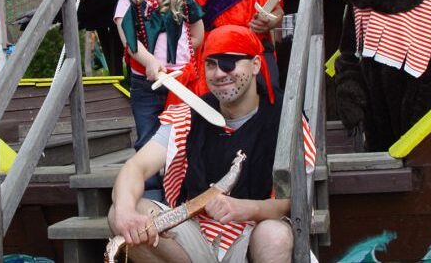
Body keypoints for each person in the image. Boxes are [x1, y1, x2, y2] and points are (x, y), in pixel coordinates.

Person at [108, 25, 315, 263]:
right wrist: (125, 211)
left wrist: (246, 208)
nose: (219, 74)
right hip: (195, 235)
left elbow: (294, 200)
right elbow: (136, 167)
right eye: (211, 64)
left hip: (252, 234)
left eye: (229, 63)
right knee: (119, 213)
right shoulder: (189, 114)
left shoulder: (285, 117)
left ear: (256, 65)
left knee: (275, 235)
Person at [114, 0, 205, 154]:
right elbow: (130, 41)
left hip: (183, 80)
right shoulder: (128, 1)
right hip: (147, 83)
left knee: (186, 133)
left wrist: (183, 57)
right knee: (149, 134)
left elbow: (198, 34)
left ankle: (184, 184)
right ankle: (152, 187)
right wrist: (152, 62)